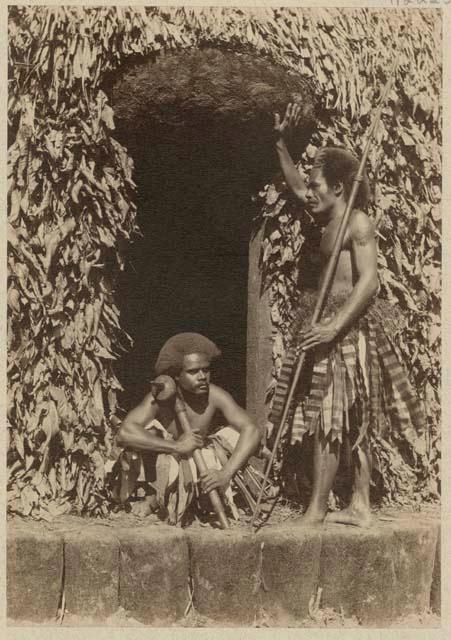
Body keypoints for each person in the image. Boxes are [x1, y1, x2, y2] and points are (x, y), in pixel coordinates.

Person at [268, 103, 426, 527]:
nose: (310, 192)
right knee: (348, 415)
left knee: (332, 414)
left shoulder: (358, 224)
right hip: (329, 329)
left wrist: (333, 327)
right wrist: (281, 145)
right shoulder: (327, 218)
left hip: (348, 331)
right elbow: (298, 187)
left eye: (318, 185)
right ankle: (358, 504)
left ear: (338, 187)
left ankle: (322, 507)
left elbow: (369, 282)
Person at [113, 332, 262, 525]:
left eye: (206, 370)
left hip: (197, 465)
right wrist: (175, 447)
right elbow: (124, 433)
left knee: (234, 436)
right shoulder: (160, 397)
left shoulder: (216, 396)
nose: (202, 377)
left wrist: (225, 474)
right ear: (176, 375)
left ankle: (198, 500)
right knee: (147, 433)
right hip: (166, 462)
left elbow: (252, 429)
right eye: (193, 372)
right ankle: (154, 497)